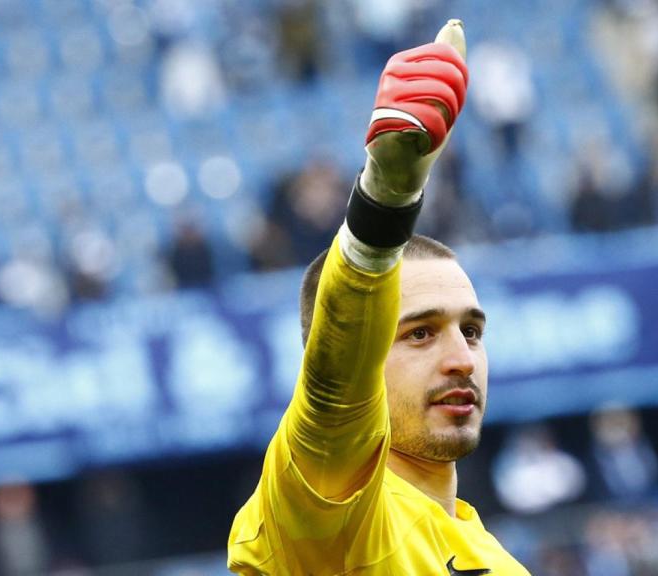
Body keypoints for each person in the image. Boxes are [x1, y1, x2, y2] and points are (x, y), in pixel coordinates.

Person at [227, 19, 531, 575]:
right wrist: (384, 204)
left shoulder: (500, 562)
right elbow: (332, 387)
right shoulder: (323, 514)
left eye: (471, 331)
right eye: (420, 333)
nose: (462, 359)